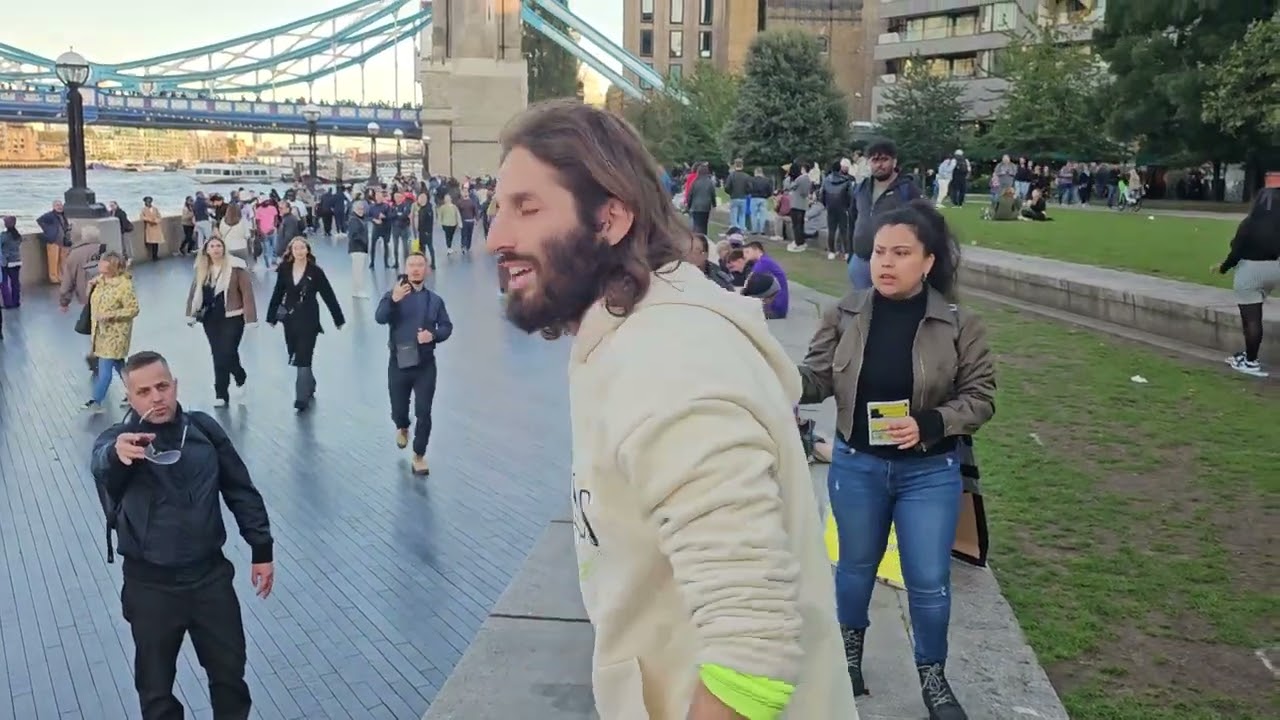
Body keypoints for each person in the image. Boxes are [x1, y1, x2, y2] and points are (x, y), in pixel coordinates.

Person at [486, 99, 857, 719]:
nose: (496, 237)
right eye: (499, 208)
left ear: (610, 219)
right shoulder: (642, 333)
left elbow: (752, 654)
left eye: (527, 208)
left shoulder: (667, 362)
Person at [799, 200, 996, 719]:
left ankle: (933, 678)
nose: (885, 263)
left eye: (901, 253)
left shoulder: (960, 324)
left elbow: (980, 397)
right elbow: (816, 378)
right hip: (857, 466)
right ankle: (848, 660)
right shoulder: (843, 313)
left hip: (929, 473)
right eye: (879, 252)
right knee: (854, 568)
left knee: (928, 580)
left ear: (928, 262)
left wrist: (930, 423)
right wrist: (773, 376)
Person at [90, 350, 274, 720]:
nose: (156, 397)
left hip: (210, 579)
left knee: (230, 678)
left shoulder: (204, 431)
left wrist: (261, 548)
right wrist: (115, 455)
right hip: (150, 587)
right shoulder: (121, 441)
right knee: (156, 693)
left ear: (175, 386)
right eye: (144, 391)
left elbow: (240, 489)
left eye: (162, 386)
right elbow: (100, 463)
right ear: (129, 396)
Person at [374, 252, 453, 476]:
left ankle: (419, 454)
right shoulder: (394, 295)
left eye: (420, 265)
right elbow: (380, 317)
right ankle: (402, 426)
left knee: (424, 411)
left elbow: (447, 327)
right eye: (412, 265)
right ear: (405, 269)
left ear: (427, 269)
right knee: (399, 409)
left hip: (425, 364)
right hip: (399, 362)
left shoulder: (435, 300)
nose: (416, 269)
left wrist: (433, 335)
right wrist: (393, 299)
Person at [266, 238, 346, 410]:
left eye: (302, 248)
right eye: (296, 248)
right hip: (289, 319)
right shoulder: (284, 269)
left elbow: (328, 295)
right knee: (295, 354)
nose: (300, 251)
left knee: (303, 356)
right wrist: (271, 317)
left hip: (309, 319)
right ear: (291, 251)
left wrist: (338, 319)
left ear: (307, 250)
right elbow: (277, 293)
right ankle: (310, 382)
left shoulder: (315, 272)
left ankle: (301, 398)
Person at [1216, 187, 1280, 377]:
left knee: (1251, 320)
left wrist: (1223, 267)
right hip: (1275, 269)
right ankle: (1248, 356)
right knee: (1254, 317)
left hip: (1250, 271)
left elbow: (1236, 252)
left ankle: (1251, 361)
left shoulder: (1249, 223)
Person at [186, 238, 256, 407]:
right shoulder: (202, 269)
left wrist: (251, 318)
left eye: (219, 246)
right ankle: (221, 393)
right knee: (218, 354)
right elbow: (194, 292)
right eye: (212, 246)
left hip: (233, 315)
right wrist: (190, 313)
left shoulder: (236, 267)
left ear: (224, 248)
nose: (216, 249)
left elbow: (247, 293)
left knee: (227, 350)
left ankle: (240, 376)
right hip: (210, 317)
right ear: (207, 250)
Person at [81, 252, 141, 413]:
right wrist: (89, 287)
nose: (100, 264)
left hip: (116, 334)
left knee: (105, 368)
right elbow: (92, 301)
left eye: (104, 262)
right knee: (120, 365)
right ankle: (137, 393)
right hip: (100, 332)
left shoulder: (124, 285)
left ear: (113, 265)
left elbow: (133, 309)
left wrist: (111, 315)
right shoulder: (100, 281)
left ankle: (96, 400)